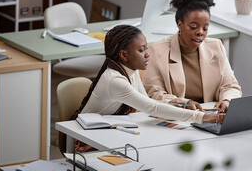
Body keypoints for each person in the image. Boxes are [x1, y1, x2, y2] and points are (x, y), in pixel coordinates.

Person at [73, 24, 225, 126]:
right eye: (141, 50)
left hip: (107, 129)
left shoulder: (130, 72)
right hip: (84, 138)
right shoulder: (115, 80)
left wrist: (182, 104)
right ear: (124, 55)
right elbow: (152, 108)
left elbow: (147, 102)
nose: (147, 55)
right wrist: (202, 117)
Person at [142, 0, 242, 113]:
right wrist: (184, 103)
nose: (200, 32)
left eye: (205, 28)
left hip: (210, 116)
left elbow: (231, 86)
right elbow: (154, 94)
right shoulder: (157, 51)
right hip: (178, 116)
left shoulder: (216, 47)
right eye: (193, 27)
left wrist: (226, 100)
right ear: (180, 24)